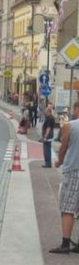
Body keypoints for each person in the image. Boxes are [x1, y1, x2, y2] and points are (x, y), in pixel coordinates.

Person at [50, 101, 79, 254]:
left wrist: (59, 161)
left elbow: (63, 147)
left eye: (75, 109)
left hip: (74, 170)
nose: (73, 112)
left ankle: (65, 244)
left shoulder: (70, 126)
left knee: (68, 208)